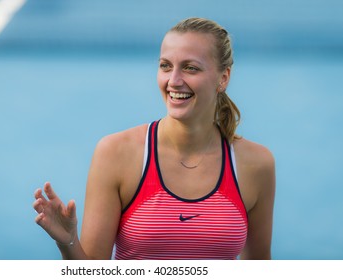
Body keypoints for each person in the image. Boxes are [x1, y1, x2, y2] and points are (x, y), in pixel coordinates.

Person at [33, 17, 275, 260]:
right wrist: (69, 242)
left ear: (223, 78)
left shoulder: (257, 164)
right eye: (165, 66)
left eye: (191, 67)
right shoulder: (115, 153)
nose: (174, 80)